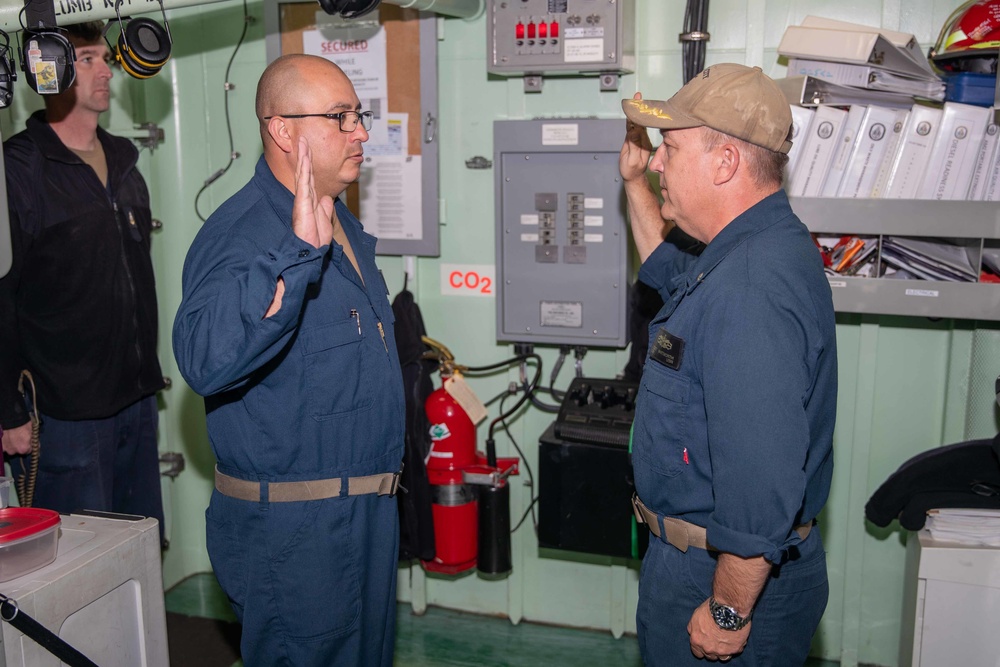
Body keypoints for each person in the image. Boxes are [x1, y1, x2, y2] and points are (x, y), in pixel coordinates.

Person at [172, 55, 405, 666]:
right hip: (298, 538)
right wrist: (295, 254)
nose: (361, 131)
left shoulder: (339, 218)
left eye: (359, 115)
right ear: (282, 130)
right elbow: (203, 358)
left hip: (361, 519)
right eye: (340, 117)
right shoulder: (244, 235)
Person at [620, 63, 837, 665]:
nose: (658, 161)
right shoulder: (751, 248)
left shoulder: (750, 287)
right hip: (700, 566)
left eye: (669, 147)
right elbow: (667, 274)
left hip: (724, 582)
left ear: (724, 163)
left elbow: (760, 482)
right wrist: (636, 184)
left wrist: (727, 612)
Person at [0, 22, 165, 535]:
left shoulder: (124, 161)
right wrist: (9, 410)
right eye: (88, 59)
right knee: (79, 567)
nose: (105, 70)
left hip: (136, 400)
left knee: (136, 552)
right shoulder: (19, 170)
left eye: (103, 58)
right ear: (51, 70)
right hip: (65, 417)